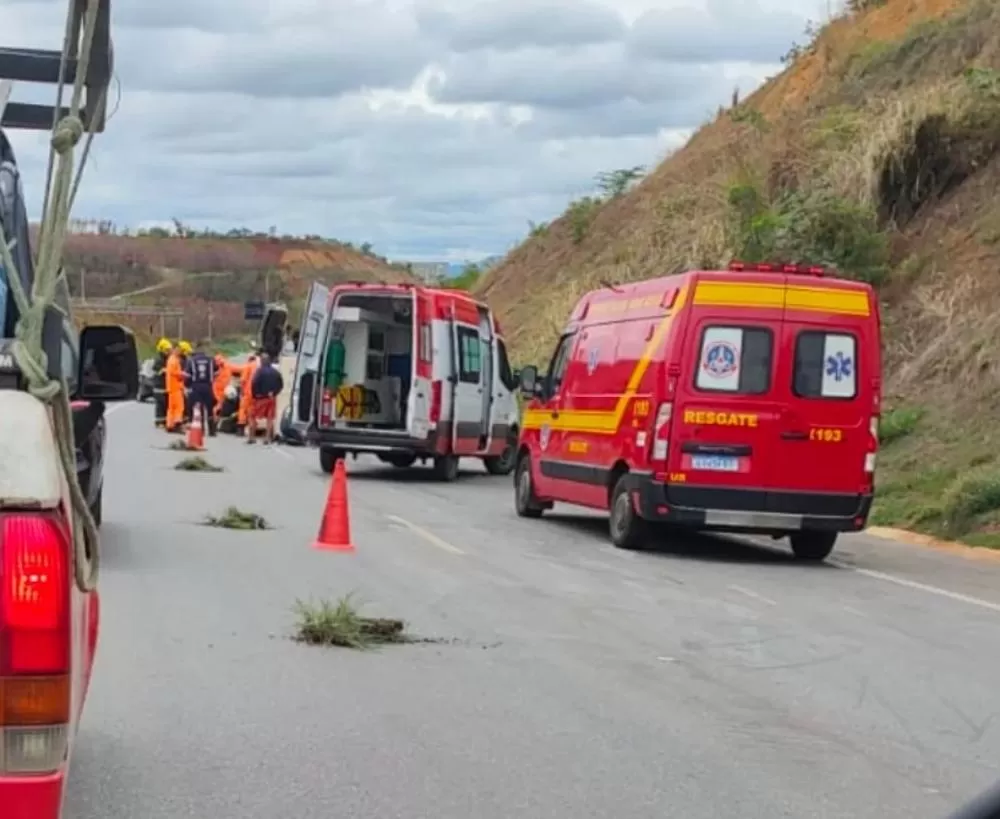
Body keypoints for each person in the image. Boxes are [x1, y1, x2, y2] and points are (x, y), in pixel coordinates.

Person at [248, 352, 283, 445]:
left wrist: (255, 395)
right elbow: (281, 385)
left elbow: (254, 383)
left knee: (252, 416)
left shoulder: (259, 371)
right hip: (271, 398)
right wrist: (274, 393)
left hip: (260, 398)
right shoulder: (276, 372)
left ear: (262, 361)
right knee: (269, 418)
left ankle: (252, 437)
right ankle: (267, 438)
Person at [184, 339, 217, 435]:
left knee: (199, 407)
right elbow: (216, 372)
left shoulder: (191, 361)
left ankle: (201, 429)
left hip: (196, 386)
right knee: (210, 408)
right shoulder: (210, 360)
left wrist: (187, 385)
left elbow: (188, 375)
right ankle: (212, 430)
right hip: (208, 386)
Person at [164, 340, 189, 433]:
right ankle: (177, 424)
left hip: (171, 387)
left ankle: (170, 425)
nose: (180, 352)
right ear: (174, 349)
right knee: (179, 407)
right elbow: (173, 372)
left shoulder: (172, 359)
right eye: (178, 350)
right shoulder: (173, 360)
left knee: (172, 408)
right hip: (175, 387)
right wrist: (182, 374)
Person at [152, 338, 171, 428]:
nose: (169, 351)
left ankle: (164, 420)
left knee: (166, 404)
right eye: (167, 350)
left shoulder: (168, 359)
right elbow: (157, 371)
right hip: (159, 386)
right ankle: (159, 421)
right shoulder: (159, 360)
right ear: (162, 349)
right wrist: (165, 370)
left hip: (166, 386)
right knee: (160, 404)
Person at [238, 352, 259, 432]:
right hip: (256, 393)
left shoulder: (248, 366)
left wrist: (241, 391)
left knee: (243, 409)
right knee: (252, 409)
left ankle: (241, 427)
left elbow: (243, 380)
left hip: (248, 392)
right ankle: (253, 427)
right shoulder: (259, 366)